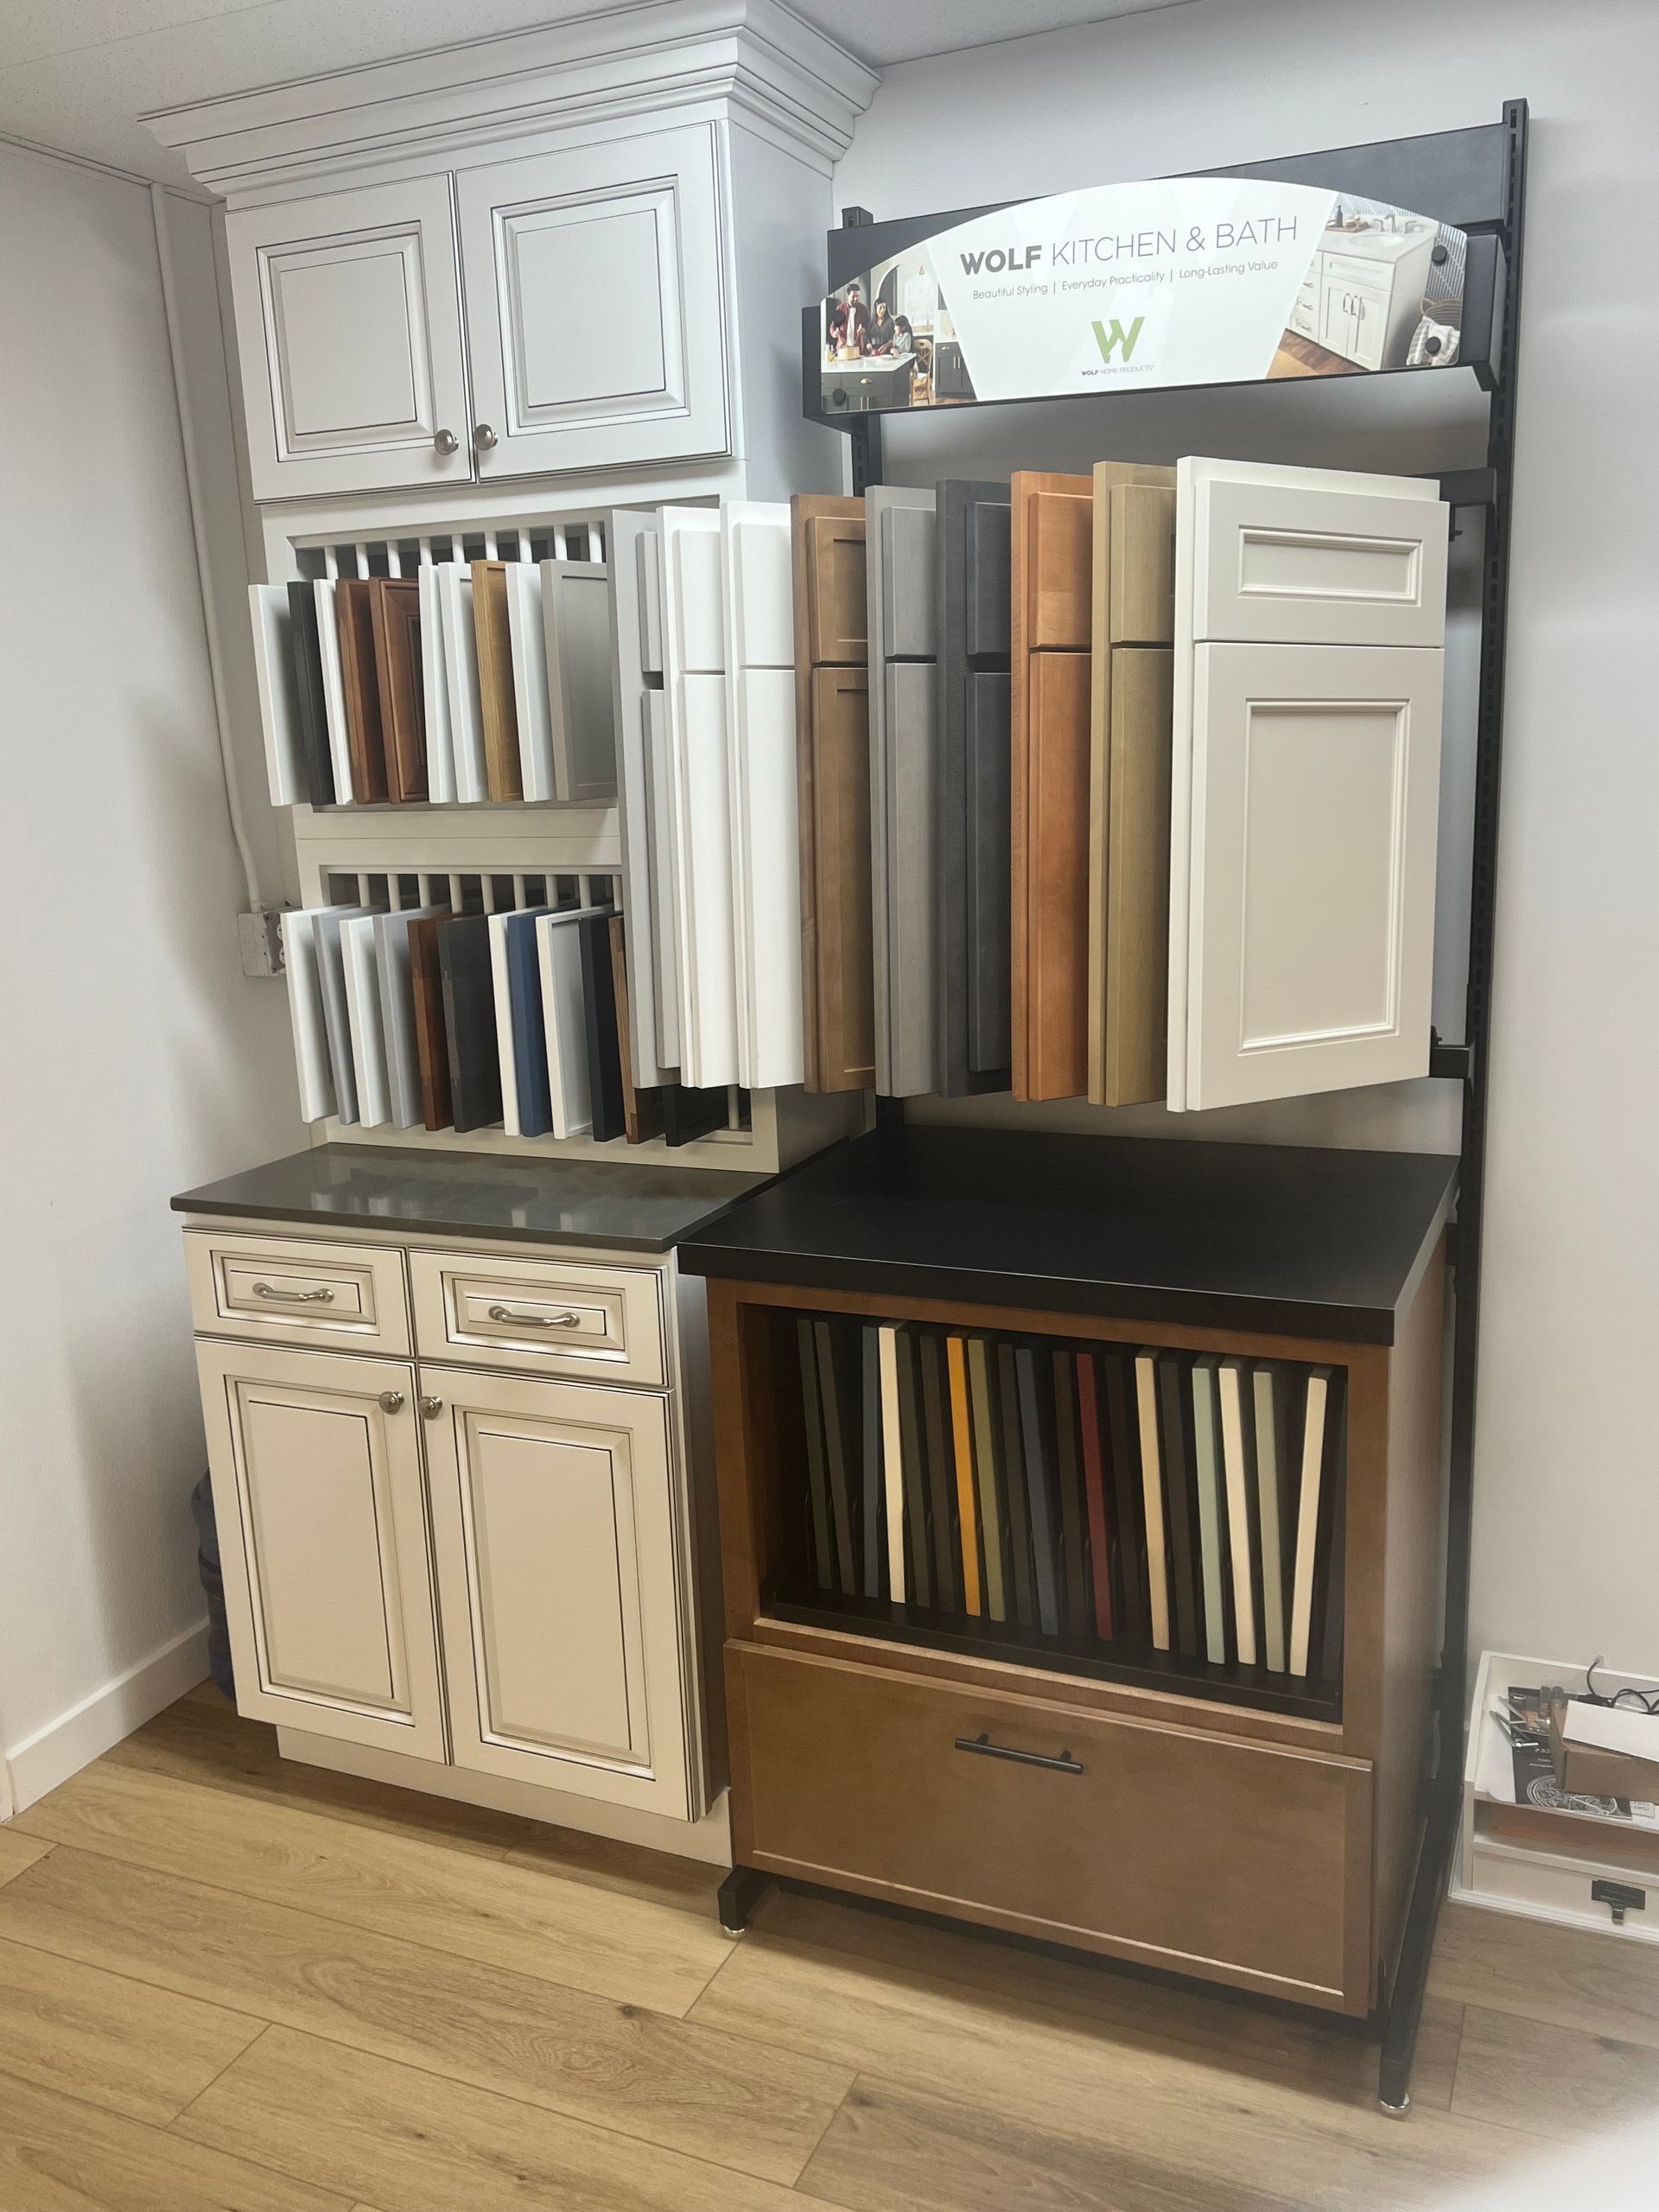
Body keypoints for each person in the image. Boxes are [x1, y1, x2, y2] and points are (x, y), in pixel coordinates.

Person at [829, 280, 868, 354]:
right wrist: (834, 333)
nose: (856, 299)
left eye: (857, 296)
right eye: (853, 296)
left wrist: (864, 329)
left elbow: (868, 325)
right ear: (848, 296)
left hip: (858, 348)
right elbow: (832, 327)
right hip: (842, 348)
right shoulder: (840, 308)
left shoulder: (863, 309)